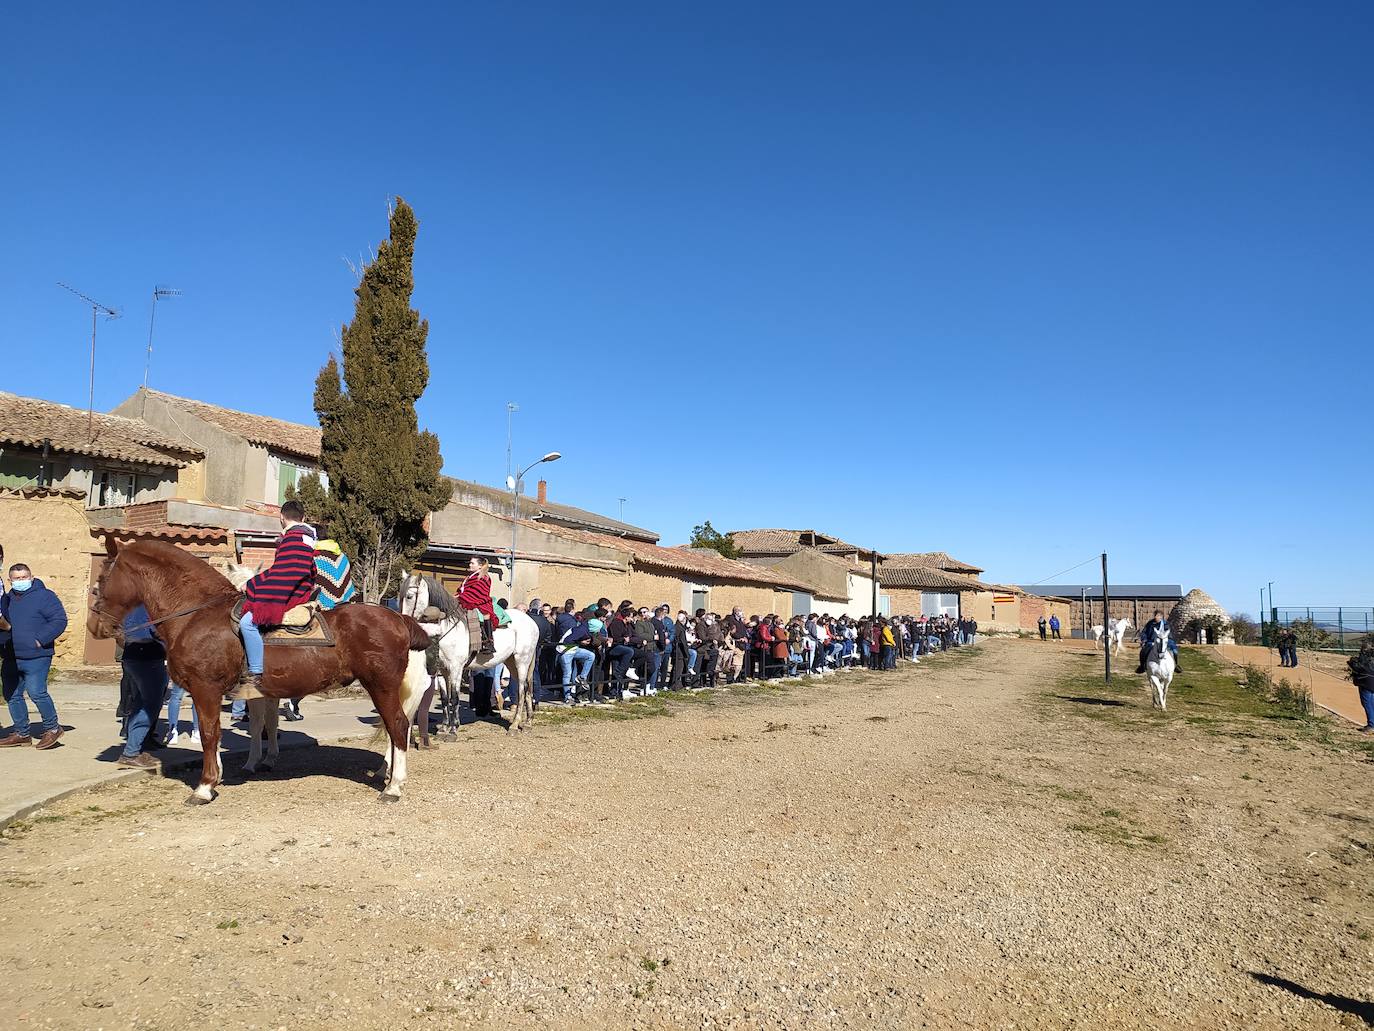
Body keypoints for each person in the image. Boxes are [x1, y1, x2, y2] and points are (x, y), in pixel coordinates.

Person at [239, 501, 317, 697]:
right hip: (300, 590)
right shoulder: (306, 538)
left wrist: (251, 585)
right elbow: (304, 571)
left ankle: (255, 674)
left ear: (281, 517)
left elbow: (282, 574)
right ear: (303, 518)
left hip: (293, 595)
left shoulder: (293, 539)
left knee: (247, 622)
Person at [0, 562, 68, 749]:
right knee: (12, 695)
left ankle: (53, 728)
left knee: (36, 692)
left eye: (24, 578)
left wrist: (40, 639)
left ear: (31, 577)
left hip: (37, 656)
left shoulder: (44, 596)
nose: (21, 581)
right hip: (12, 655)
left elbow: (59, 620)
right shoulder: (7, 599)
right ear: (10, 580)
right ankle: (22, 734)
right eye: (16, 579)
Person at [115, 605, 168, 769]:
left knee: (140, 703)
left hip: (135, 657)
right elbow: (149, 631)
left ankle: (134, 746)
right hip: (147, 658)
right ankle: (131, 752)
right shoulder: (144, 605)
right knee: (149, 705)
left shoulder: (133, 604)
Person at [458, 557, 500, 659]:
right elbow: (463, 590)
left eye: (472, 563)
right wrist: (459, 596)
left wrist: (462, 597)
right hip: (465, 600)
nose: (470, 565)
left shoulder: (484, 577)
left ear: (480, 566)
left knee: (484, 615)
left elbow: (478, 593)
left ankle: (488, 642)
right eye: (470, 563)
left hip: (480, 602)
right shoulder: (469, 577)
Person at [1135, 609, 1181, 674]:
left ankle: (1176, 665)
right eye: (1155, 615)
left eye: (1158, 616)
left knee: (1175, 652)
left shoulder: (1165, 624)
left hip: (1165, 641)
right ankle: (1142, 666)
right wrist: (1144, 640)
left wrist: (1169, 640)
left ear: (1161, 617)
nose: (1156, 617)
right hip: (1151, 641)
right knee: (1143, 651)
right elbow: (1144, 632)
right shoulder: (1150, 623)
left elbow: (1169, 633)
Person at [1346, 642, 1374, 733]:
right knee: (1371, 703)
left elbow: (1359, 667)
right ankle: (1371, 723)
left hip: (1366, 683)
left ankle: (1371, 725)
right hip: (1371, 682)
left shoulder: (1364, 658)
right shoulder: (1372, 658)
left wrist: (1352, 662)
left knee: (1367, 704)